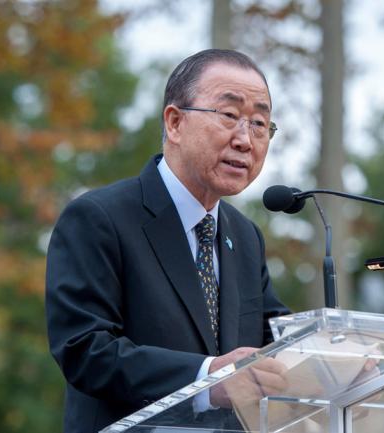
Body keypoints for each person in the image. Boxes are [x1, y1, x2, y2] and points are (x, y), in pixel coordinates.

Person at [45, 49, 290, 433]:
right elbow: (85, 350)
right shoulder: (99, 218)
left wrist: (338, 360)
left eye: (259, 123)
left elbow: (274, 337)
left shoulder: (244, 235)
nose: (245, 139)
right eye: (229, 115)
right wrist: (208, 378)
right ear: (175, 123)